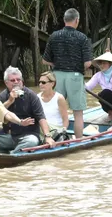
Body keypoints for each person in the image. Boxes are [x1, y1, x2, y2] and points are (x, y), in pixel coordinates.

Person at [42, 8, 92, 139]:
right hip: (75, 76)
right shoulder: (82, 38)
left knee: (55, 108)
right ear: (77, 20)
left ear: (64, 20)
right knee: (78, 113)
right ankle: (79, 141)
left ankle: (51, 137)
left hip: (56, 76)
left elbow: (44, 60)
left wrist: (55, 65)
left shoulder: (54, 36)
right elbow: (87, 64)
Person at [0, 66, 56, 153]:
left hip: (28, 136)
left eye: (18, 79)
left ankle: (12, 155)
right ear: (6, 83)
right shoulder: (3, 96)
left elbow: (41, 117)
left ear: (22, 81)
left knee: (32, 142)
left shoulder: (31, 95)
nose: (16, 82)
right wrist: (10, 101)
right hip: (9, 137)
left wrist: (47, 136)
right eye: (12, 80)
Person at [37, 71, 69, 140]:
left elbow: (65, 119)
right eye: (39, 82)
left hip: (55, 129)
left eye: (43, 82)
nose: (40, 84)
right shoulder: (37, 97)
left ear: (52, 83)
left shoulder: (59, 98)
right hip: (42, 128)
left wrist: (63, 131)